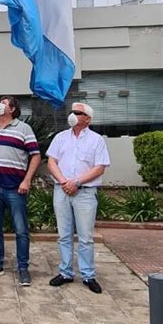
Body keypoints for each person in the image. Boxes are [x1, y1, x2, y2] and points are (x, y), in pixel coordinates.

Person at [47, 102, 110, 294]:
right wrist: (65, 181)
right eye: (72, 112)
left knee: (85, 237)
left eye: (78, 113)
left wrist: (76, 182)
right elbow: (51, 161)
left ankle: (88, 274)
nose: (72, 115)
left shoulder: (96, 140)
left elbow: (99, 167)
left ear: (87, 119)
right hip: (61, 190)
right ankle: (65, 272)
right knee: (64, 235)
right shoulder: (60, 137)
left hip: (85, 193)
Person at [0, 96, 41, 286]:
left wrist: (27, 180)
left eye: (4, 103)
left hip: (15, 187)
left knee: (21, 230)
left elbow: (36, 156)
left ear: (12, 109)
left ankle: (23, 268)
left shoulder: (24, 129)